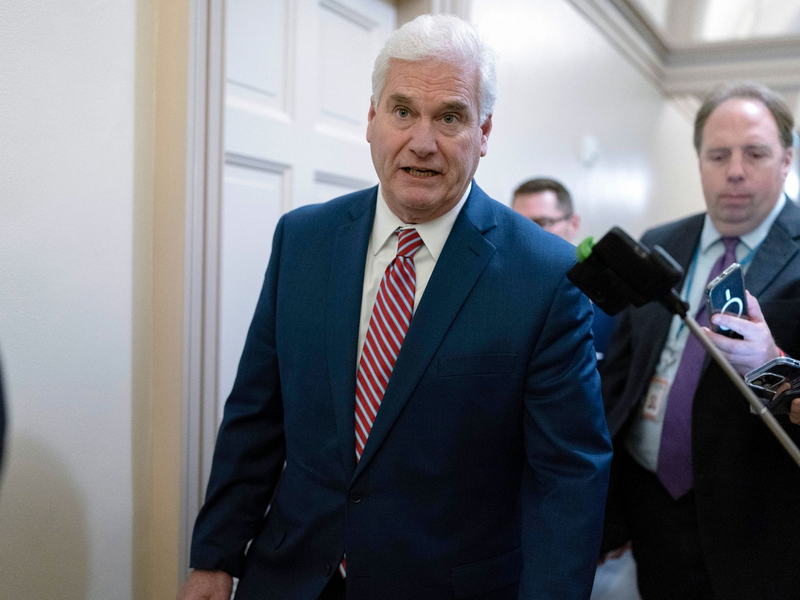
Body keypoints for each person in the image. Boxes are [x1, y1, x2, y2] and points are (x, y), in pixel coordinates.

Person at [178, 14, 612, 600]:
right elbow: (256, 415)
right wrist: (213, 558)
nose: (422, 142)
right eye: (402, 111)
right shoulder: (303, 240)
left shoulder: (546, 275)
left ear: (483, 132)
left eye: (450, 117)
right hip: (291, 577)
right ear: (371, 119)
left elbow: (567, 476)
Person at [600, 81, 800, 600]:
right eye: (718, 154)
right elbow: (620, 380)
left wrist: (772, 362)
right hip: (653, 506)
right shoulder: (659, 242)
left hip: (764, 526)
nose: (735, 170)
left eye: (755, 152)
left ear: (786, 159)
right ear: (700, 163)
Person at [512, 178, 615, 361]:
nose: (528, 234)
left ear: (573, 224)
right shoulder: (502, 295)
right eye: (519, 223)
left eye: (541, 222)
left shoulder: (611, 298)